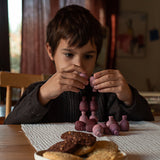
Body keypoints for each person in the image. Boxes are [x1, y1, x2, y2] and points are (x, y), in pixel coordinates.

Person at [4, 5, 154, 124]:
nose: (79, 65)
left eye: (88, 56)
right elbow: (10, 125)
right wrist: (42, 95)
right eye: (69, 54)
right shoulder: (38, 92)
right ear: (50, 51)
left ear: (97, 55)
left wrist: (129, 97)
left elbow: (147, 123)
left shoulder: (107, 95)